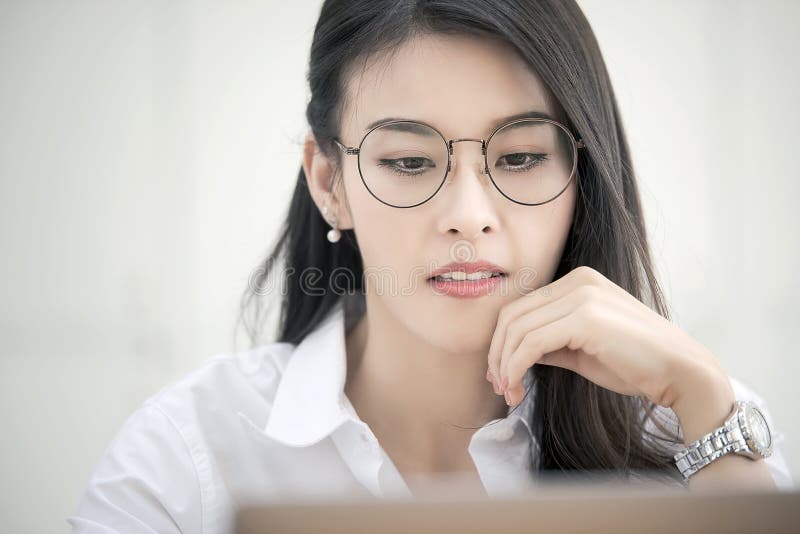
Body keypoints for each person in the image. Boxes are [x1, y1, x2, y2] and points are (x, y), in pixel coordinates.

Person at [68, 0, 794, 532]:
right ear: (329, 182)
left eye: (521, 157)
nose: (469, 213)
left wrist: (703, 400)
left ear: (582, 176)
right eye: (411, 161)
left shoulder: (693, 430)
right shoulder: (188, 455)